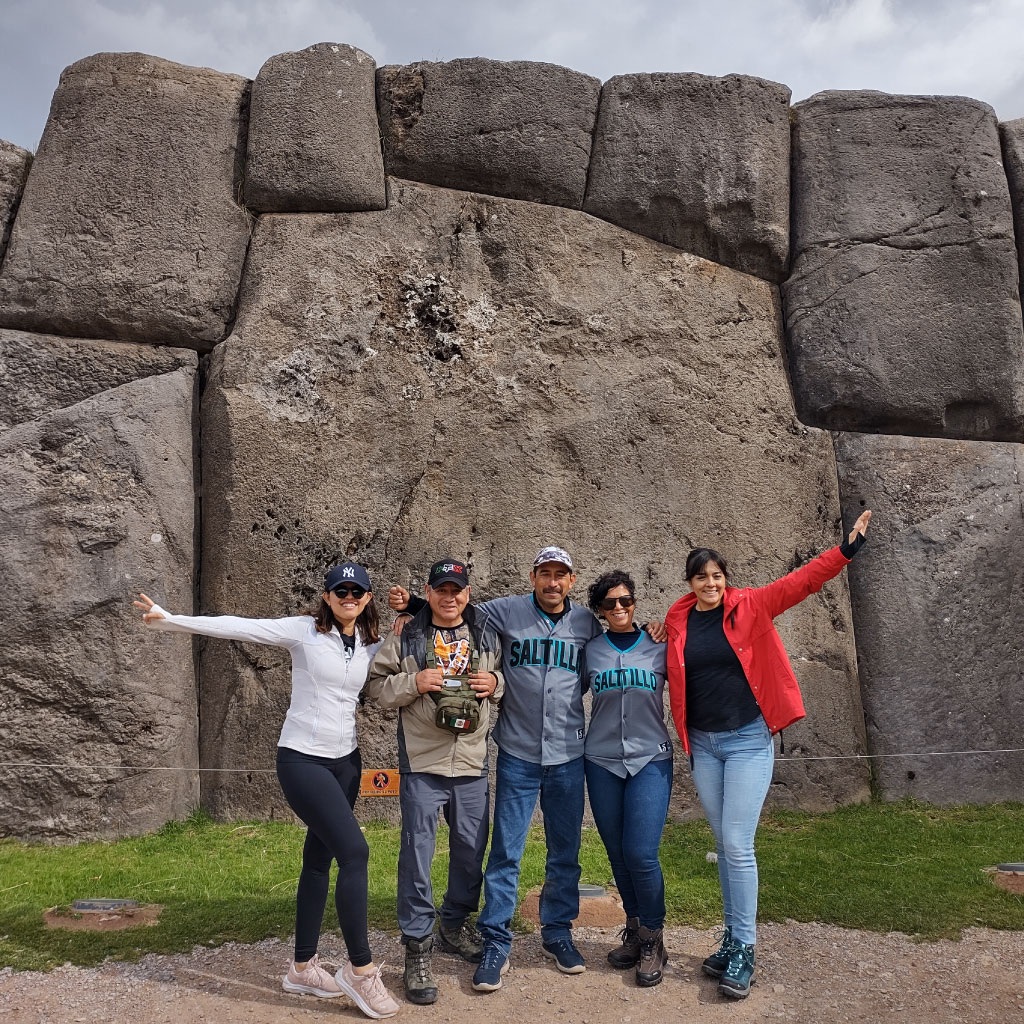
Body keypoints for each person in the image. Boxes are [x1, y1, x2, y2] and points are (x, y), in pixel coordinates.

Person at [390, 546, 667, 992]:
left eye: (561, 575)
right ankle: (496, 939)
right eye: (545, 573)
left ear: (572, 581)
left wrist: (657, 628)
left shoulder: (586, 626)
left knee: (564, 853)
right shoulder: (504, 612)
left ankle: (557, 933)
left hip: (569, 756)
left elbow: (623, 642)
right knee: (506, 852)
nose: (553, 582)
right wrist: (415, 609)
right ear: (533, 575)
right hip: (518, 753)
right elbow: (458, 607)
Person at [134, 563, 400, 1020]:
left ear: (368, 596)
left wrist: (410, 614)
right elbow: (240, 626)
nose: (349, 597)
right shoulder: (303, 631)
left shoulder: (373, 644)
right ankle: (361, 972)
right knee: (355, 853)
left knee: (319, 860)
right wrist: (170, 618)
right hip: (302, 760)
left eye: (357, 591)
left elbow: (415, 637)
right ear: (327, 595)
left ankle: (302, 968)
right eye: (341, 590)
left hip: (346, 762)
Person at [665, 511, 872, 1000]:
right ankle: (732, 937)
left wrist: (844, 551)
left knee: (737, 843)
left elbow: (801, 583)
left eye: (717, 576)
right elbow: (669, 651)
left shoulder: (752, 605)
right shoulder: (677, 617)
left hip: (746, 741)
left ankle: (746, 949)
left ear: (726, 579)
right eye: (701, 577)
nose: (710, 583)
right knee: (724, 843)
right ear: (690, 583)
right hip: (705, 744)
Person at [365, 559, 503, 1006]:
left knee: (469, 851)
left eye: (457, 589)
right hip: (422, 763)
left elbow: (510, 682)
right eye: (441, 589)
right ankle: (417, 948)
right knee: (418, 856)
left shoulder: (485, 632)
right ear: (430, 590)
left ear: (466, 593)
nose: (450, 597)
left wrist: (495, 682)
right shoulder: (407, 633)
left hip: (472, 763)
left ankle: (453, 925)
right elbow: (375, 688)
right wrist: (414, 682)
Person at [582, 570, 672, 988]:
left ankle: (654, 937)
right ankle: (635, 932)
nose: (620, 608)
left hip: (649, 759)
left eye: (627, 600)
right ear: (600, 610)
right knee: (618, 854)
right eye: (611, 603)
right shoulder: (590, 651)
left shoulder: (659, 644)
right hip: (600, 761)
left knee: (641, 852)